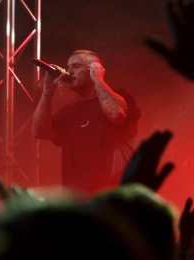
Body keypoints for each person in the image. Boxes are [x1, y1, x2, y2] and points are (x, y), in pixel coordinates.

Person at [32, 50, 140, 194]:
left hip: (113, 197)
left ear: (94, 69)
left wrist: (98, 80)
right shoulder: (70, 111)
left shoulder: (121, 97)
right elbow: (39, 132)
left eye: (76, 66)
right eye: (68, 67)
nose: (69, 71)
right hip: (79, 201)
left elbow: (116, 114)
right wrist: (48, 91)